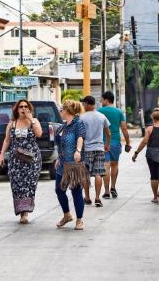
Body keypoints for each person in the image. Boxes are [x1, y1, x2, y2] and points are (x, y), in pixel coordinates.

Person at [0, 99, 42, 224]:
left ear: (29, 108)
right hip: (15, 159)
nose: (23, 109)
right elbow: (7, 140)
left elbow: (39, 134)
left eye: (26, 107)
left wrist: (31, 119)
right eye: (21, 107)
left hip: (31, 159)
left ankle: (25, 213)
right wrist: (2, 155)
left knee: (29, 185)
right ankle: (21, 211)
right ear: (16, 109)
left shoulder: (34, 121)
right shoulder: (12, 123)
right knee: (17, 185)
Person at [54, 100, 87, 231]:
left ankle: (79, 220)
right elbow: (60, 144)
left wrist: (78, 150)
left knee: (76, 191)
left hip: (74, 164)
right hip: (62, 164)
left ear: (67, 111)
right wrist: (58, 158)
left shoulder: (78, 123)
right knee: (59, 190)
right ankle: (67, 215)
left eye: (62, 109)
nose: (60, 111)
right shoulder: (62, 126)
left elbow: (80, 137)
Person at [98, 91, 131, 199]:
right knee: (114, 165)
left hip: (103, 143)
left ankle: (106, 191)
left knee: (106, 166)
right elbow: (124, 129)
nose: (100, 101)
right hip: (116, 142)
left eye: (102, 99)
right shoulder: (119, 112)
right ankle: (113, 187)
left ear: (106, 100)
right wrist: (128, 143)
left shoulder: (99, 111)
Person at [80, 95, 111, 207]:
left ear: (87, 104)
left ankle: (87, 198)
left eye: (83, 103)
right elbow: (108, 133)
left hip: (87, 149)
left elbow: (80, 136)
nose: (83, 106)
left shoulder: (82, 118)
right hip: (99, 148)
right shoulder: (102, 116)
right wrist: (107, 145)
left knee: (86, 175)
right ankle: (97, 198)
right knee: (98, 174)